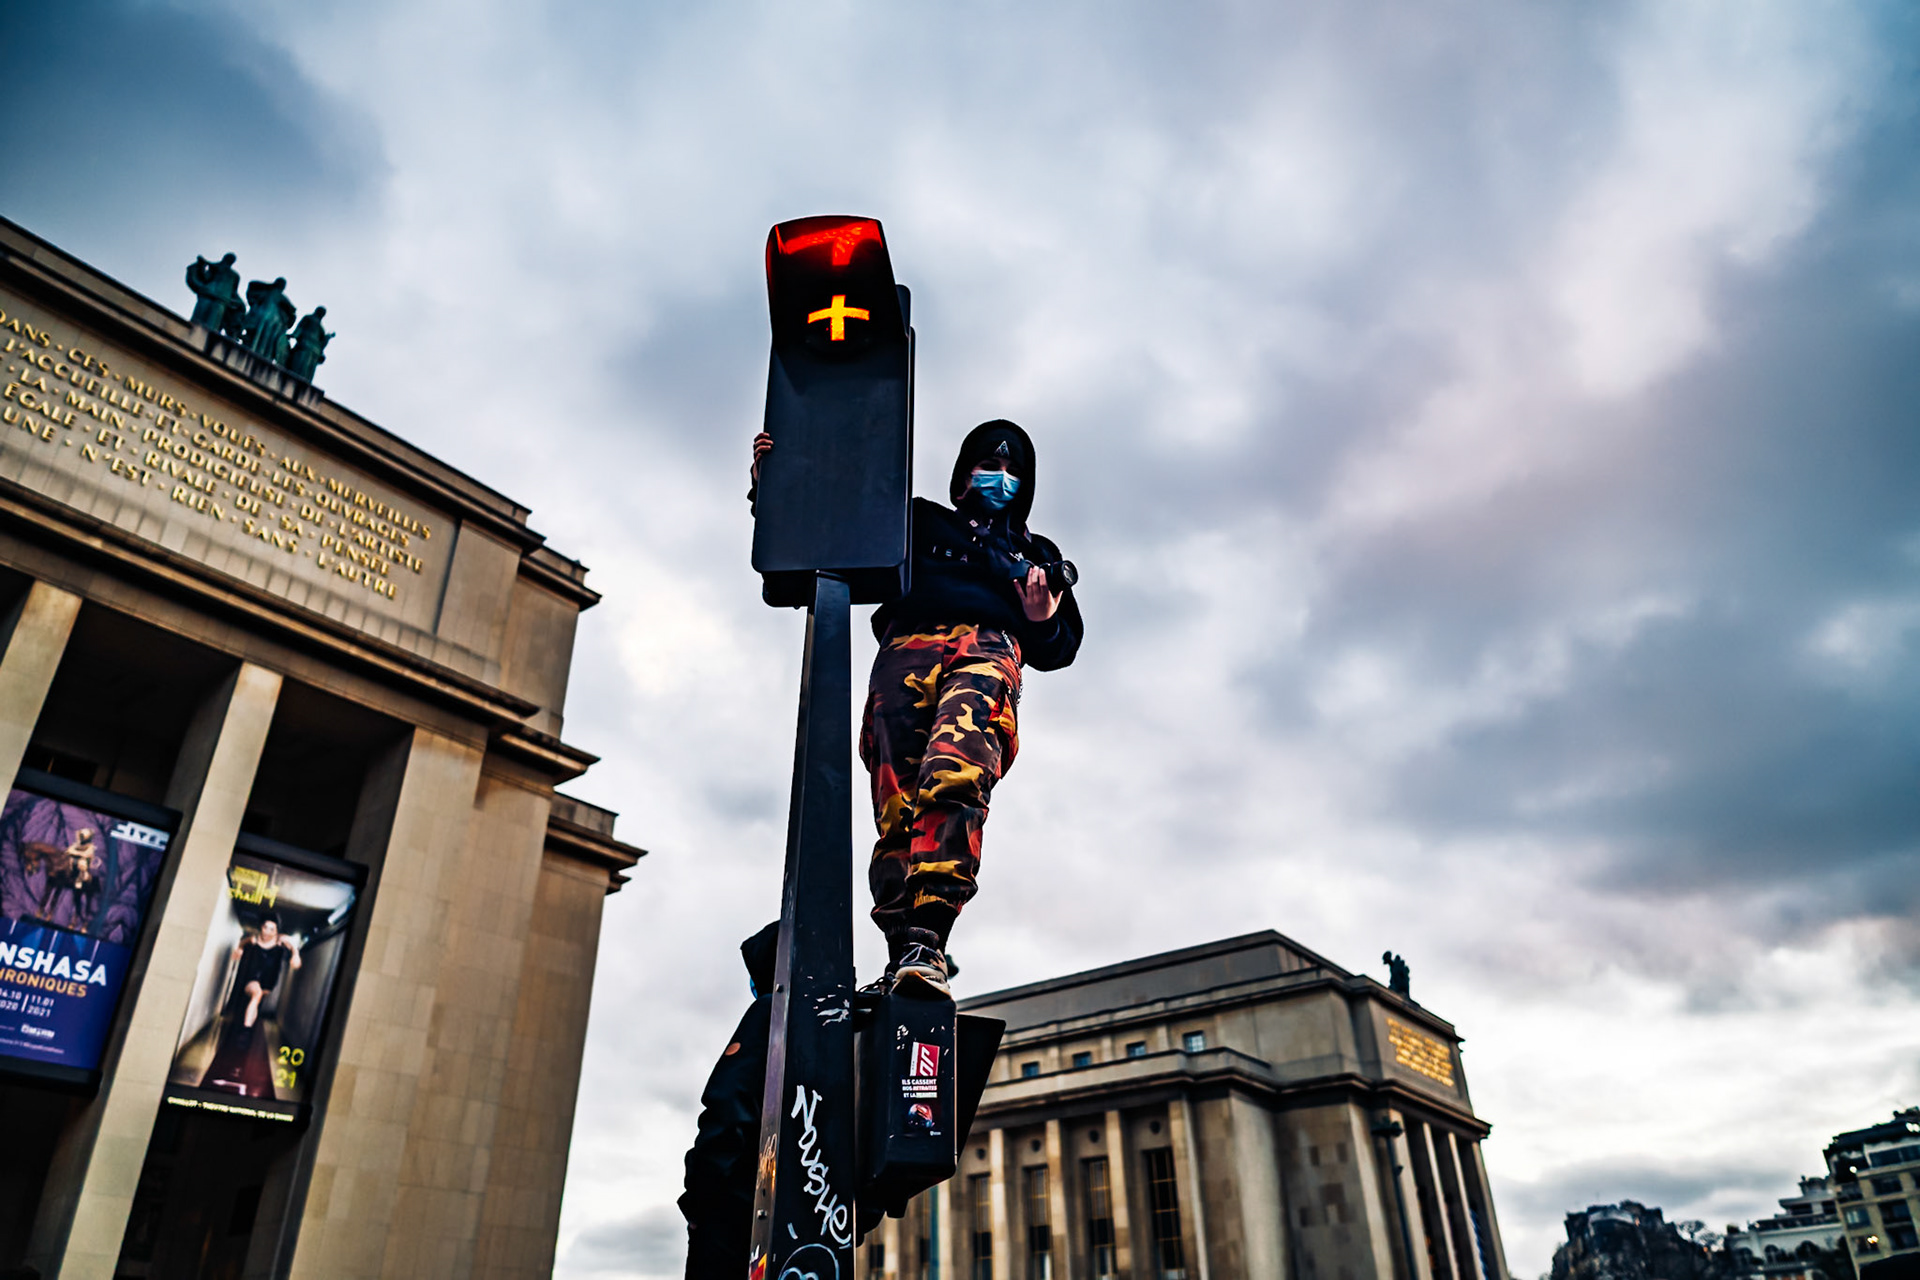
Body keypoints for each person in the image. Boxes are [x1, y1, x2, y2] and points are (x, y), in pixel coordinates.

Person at [752, 420, 1082, 998]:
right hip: (907, 648)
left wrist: (1042, 616)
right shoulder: (918, 521)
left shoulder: (1036, 554)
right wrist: (772, 485)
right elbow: (830, 524)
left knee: (956, 772)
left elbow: (1063, 646)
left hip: (986, 646)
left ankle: (929, 936)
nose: (998, 478)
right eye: (988, 464)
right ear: (962, 473)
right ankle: (904, 950)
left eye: (1011, 472)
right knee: (896, 805)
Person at [680, 922, 779, 1279]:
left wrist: (697, 1202)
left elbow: (726, 1109)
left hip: (737, 1217)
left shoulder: (771, 1012)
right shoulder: (847, 1027)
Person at [228, 915, 301, 1029]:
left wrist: (295, 955)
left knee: (257, 998)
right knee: (256, 994)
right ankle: (245, 1030)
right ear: (261, 927)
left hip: (269, 981)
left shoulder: (280, 941)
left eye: (272, 929)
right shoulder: (254, 939)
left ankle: (249, 1027)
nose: (267, 932)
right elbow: (242, 943)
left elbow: (293, 944)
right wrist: (239, 949)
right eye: (265, 927)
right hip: (252, 978)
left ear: (276, 932)